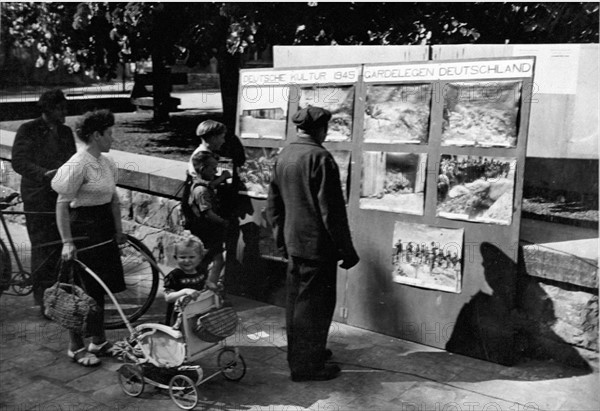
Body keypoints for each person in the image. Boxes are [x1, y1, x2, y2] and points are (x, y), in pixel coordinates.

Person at [266, 106, 360, 382]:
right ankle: (307, 366)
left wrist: (280, 240)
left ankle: (305, 353)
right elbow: (332, 212)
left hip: (294, 243)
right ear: (321, 129)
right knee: (314, 307)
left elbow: (273, 206)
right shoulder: (320, 157)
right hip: (318, 247)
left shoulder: (285, 155)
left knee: (297, 303)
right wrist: (347, 250)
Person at [51, 109, 125, 367]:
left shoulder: (107, 163)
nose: (113, 139)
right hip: (81, 230)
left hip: (103, 229)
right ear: (96, 135)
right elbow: (62, 204)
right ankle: (76, 347)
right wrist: (67, 242)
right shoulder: (78, 164)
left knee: (100, 288)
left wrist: (118, 230)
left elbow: (114, 199)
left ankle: (99, 341)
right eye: (110, 133)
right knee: (79, 292)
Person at [11, 89, 77, 312]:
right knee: (42, 247)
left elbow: (72, 160)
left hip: (61, 196)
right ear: (49, 109)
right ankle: (44, 302)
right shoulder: (28, 130)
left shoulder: (66, 132)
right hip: (38, 197)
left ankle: (63, 296)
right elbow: (19, 162)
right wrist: (43, 174)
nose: (65, 112)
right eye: (61, 108)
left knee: (63, 245)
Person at [189, 150, 230, 286]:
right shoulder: (201, 191)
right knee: (216, 259)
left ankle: (204, 284)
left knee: (210, 259)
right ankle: (209, 287)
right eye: (213, 168)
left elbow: (212, 184)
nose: (215, 171)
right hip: (208, 231)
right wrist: (224, 222)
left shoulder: (202, 183)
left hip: (207, 232)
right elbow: (208, 213)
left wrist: (223, 178)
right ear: (203, 169)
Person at [163, 233, 216, 326]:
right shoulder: (174, 276)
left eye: (191, 257)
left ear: (200, 258)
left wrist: (208, 283)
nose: (187, 261)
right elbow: (168, 297)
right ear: (176, 258)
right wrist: (184, 291)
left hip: (197, 313)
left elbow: (203, 282)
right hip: (178, 319)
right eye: (182, 257)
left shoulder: (201, 271)